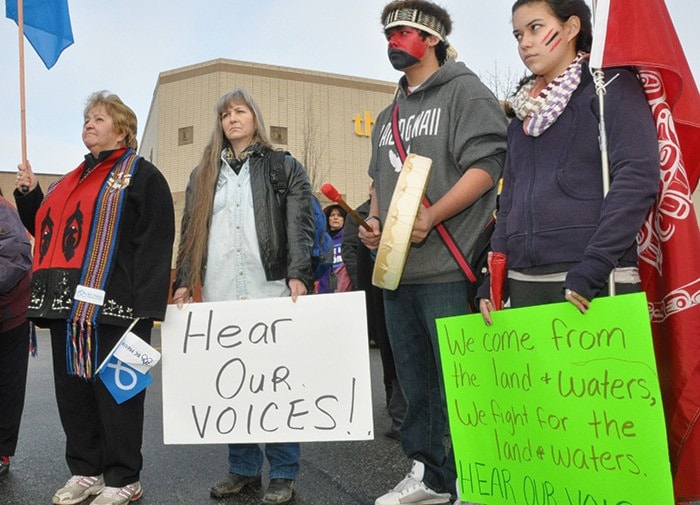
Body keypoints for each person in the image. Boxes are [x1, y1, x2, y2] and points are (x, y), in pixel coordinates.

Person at [359, 1, 508, 504]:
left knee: (459, 385)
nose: (393, 40)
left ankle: (473, 475)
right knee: (415, 387)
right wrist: (376, 222)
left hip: (450, 267)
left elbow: (486, 165)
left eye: (404, 32)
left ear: (433, 39)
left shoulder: (466, 92)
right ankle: (429, 475)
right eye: (388, 33)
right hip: (396, 272)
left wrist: (434, 214)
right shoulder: (387, 114)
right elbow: (380, 182)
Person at [14, 91, 175, 505]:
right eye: (87, 117)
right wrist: (32, 197)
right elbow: (53, 231)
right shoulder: (70, 180)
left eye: (99, 118)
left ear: (122, 129)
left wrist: (148, 310)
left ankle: (125, 477)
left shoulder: (142, 176)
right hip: (68, 307)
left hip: (119, 308)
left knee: (118, 395)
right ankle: (86, 470)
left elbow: (155, 242)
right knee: (74, 395)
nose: (89, 123)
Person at [172, 87, 314, 505]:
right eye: (225, 114)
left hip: (269, 288)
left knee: (275, 382)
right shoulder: (203, 174)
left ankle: (284, 472)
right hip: (220, 289)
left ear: (255, 117)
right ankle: (244, 469)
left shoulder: (281, 165)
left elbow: (299, 222)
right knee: (233, 382)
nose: (232, 119)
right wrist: (184, 279)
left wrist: (299, 273)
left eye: (240, 111)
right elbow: (191, 232)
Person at [477, 0, 659, 322]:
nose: (525, 43)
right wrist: (492, 277)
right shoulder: (521, 115)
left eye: (535, 28)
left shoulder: (610, 88)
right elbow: (509, 202)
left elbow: (637, 178)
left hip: (594, 283)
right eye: (518, 34)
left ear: (572, 27)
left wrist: (595, 265)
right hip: (524, 286)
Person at [342, 192, 406, 441]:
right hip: (374, 287)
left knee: (404, 348)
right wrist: (362, 285)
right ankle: (396, 409)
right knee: (387, 347)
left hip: (404, 283)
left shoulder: (402, 207)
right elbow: (350, 249)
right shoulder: (357, 214)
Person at [0, 188, 32, 479]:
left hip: (9, 318)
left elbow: (15, 262)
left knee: (7, 388)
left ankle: (1, 452)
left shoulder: (6, 214)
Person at [316, 204, 352, 293]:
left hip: (345, 287)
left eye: (339, 216)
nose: (335, 218)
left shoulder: (349, 238)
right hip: (323, 288)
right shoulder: (322, 239)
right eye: (332, 215)